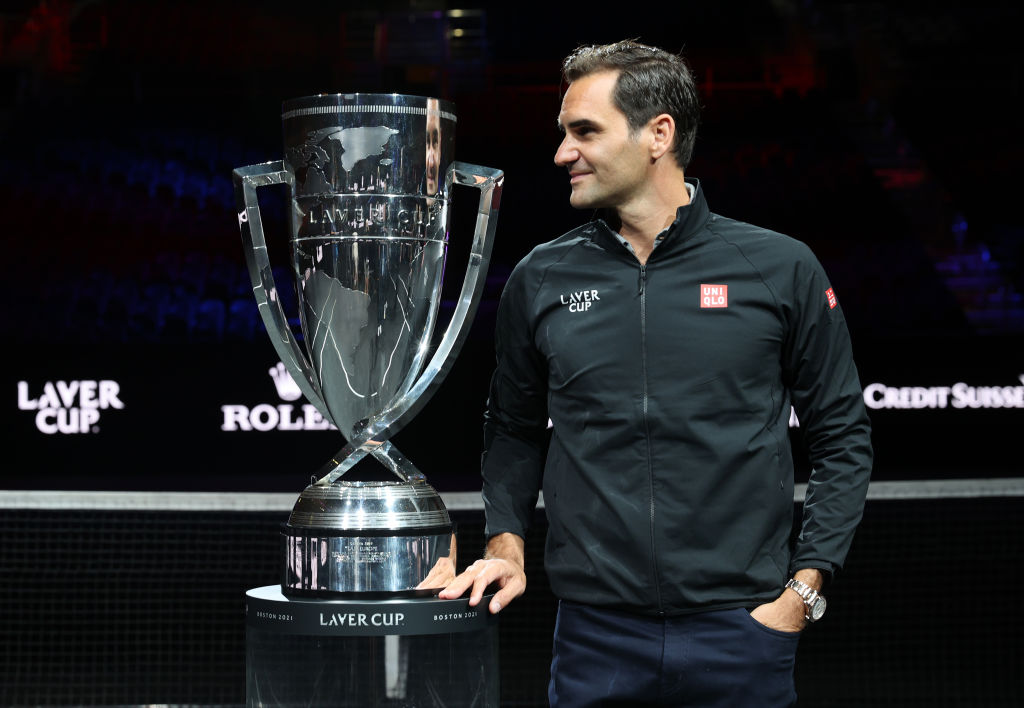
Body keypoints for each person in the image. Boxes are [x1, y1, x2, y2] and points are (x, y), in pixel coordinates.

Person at [440, 39, 872, 707]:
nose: (562, 153)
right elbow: (515, 430)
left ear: (657, 135)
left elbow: (842, 437)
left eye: (585, 131)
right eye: (563, 133)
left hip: (745, 631)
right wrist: (507, 545)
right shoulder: (541, 276)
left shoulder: (780, 267)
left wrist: (803, 592)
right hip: (594, 639)